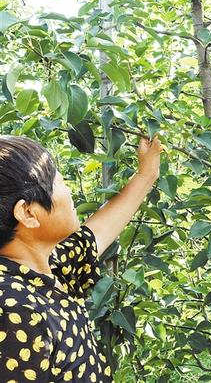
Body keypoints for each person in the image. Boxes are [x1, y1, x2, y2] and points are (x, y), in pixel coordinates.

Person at [0, 135, 162, 382]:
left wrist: (147, 173)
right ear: (28, 213)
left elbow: (98, 233)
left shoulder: (45, 265)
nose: (68, 191)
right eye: (59, 183)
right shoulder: (15, 310)